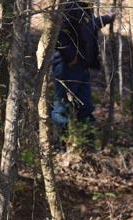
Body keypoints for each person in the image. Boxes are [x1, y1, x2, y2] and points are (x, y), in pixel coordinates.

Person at [51, 1, 115, 129]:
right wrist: (70, 58)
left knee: (86, 107)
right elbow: (59, 33)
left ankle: (85, 142)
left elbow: (89, 27)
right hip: (67, 66)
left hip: (82, 66)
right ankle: (63, 143)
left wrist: (106, 19)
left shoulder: (84, 8)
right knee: (62, 108)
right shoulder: (69, 6)